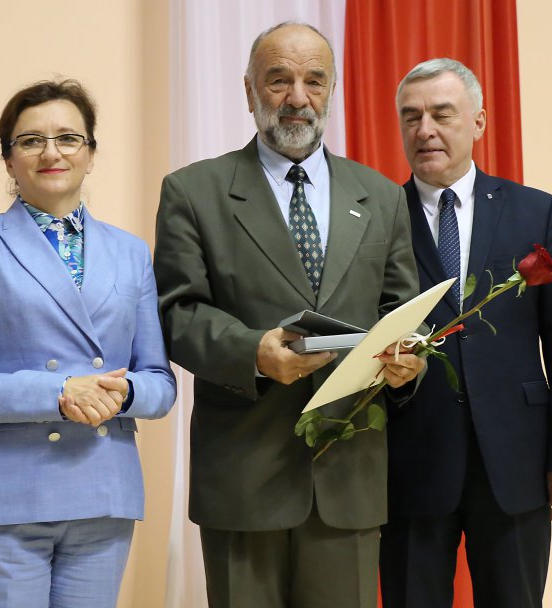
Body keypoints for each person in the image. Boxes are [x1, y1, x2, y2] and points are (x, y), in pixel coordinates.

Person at [154, 22, 425, 608]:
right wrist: (252, 352)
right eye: (279, 80)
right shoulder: (193, 191)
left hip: (348, 476)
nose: (297, 97)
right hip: (244, 477)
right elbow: (176, 313)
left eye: (314, 80)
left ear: (331, 92)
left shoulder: (380, 196)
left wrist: (410, 361)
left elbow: (403, 313)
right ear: (249, 91)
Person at [0, 79, 175, 608]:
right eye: (30, 140)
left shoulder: (130, 252)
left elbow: (160, 383)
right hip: (4, 500)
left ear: (91, 153)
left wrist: (120, 396)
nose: (51, 152)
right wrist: (59, 392)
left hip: (103, 497)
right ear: (9, 160)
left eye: (68, 138)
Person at [379, 58, 552, 608]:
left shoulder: (534, 211)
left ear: (478, 121)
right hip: (411, 460)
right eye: (411, 117)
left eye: (441, 114)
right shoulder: (379, 218)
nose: (424, 129)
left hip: (516, 462)